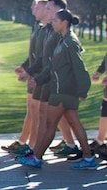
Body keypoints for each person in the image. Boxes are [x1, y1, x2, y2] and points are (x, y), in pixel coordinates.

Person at [19, 9, 96, 169]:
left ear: (64, 23)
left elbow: (80, 69)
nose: (52, 23)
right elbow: (53, 67)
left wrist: (83, 91)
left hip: (63, 91)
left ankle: (36, 157)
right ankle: (88, 158)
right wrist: (38, 80)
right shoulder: (63, 40)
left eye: (55, 20)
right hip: (63, 90)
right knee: (74, 123)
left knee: (49, 124)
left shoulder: (70, 43)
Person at [7, 0, 50, 153]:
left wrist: (29, 71)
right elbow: (34, 54)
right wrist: (25, 67)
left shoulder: (48, 30)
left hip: (42, 76)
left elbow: (43, 57)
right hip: (35, 74)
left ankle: (33, 146)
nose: (33, 9)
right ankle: (26, 143)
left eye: (36, 6)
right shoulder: (38, 27)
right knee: (33, 110)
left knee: (43, 114)